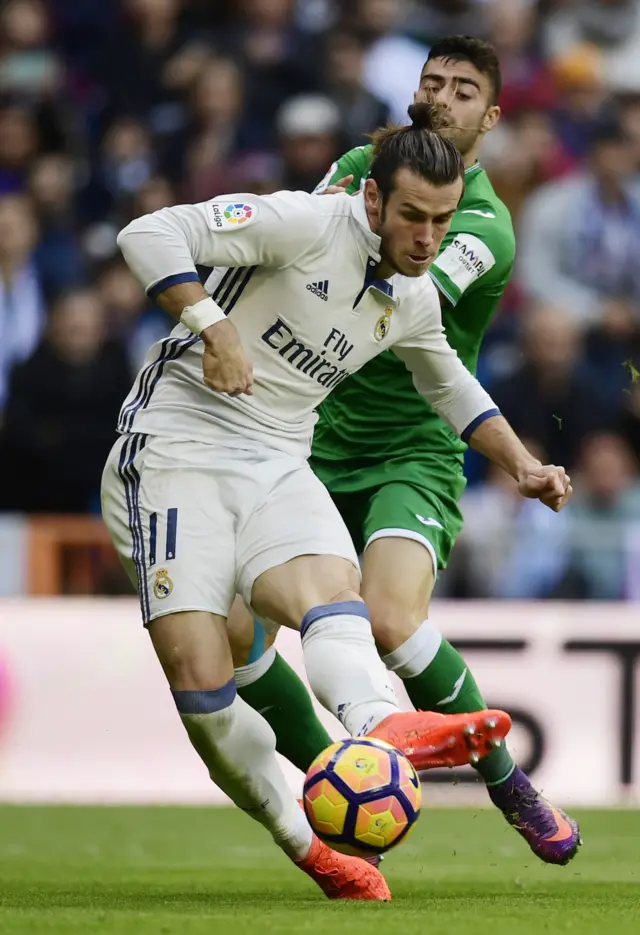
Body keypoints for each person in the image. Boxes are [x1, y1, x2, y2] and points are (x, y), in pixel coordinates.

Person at [102, 103, 569, 901]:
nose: (427, 238)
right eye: (413, 217)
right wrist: (214, 327)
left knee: (332, 591)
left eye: (442, 221)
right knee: (205, 678)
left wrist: (522, 463)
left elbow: (449, 385)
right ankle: (313, 849)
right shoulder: (302, 222)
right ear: (374, 201)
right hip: (174, 451)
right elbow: (147, 233)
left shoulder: (414, 295)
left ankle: (378, 722)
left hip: (279, 458)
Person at [231, 36, 582, 867]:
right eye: (432, 81)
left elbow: (394, 297)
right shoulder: (360, 160)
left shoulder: (484, 227)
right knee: (234, 628)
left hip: (410, 449)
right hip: (307, 437)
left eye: (464, 89)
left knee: (388, 620)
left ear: (491, 118)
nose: (442, 95)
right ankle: (337, 767)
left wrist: (519, 460)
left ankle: (506, 779)